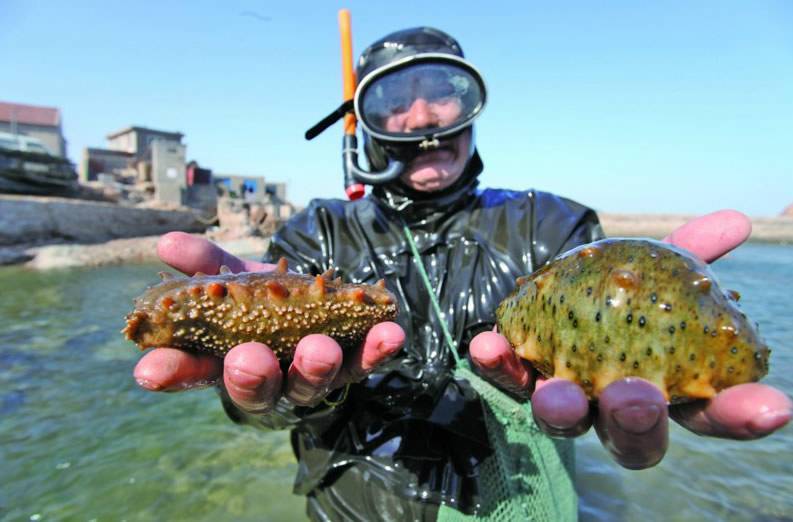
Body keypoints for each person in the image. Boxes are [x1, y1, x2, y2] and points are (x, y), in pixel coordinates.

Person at [133, 27, 791, 520]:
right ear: (361, 121)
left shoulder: (552, 227)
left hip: (513, 494)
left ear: (472, 109)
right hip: (354, 505)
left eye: (444, 96)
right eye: (394, 100)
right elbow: (255, 406)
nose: (422, 120)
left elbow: (599, 351)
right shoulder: (316, 234)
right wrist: (283, 399)